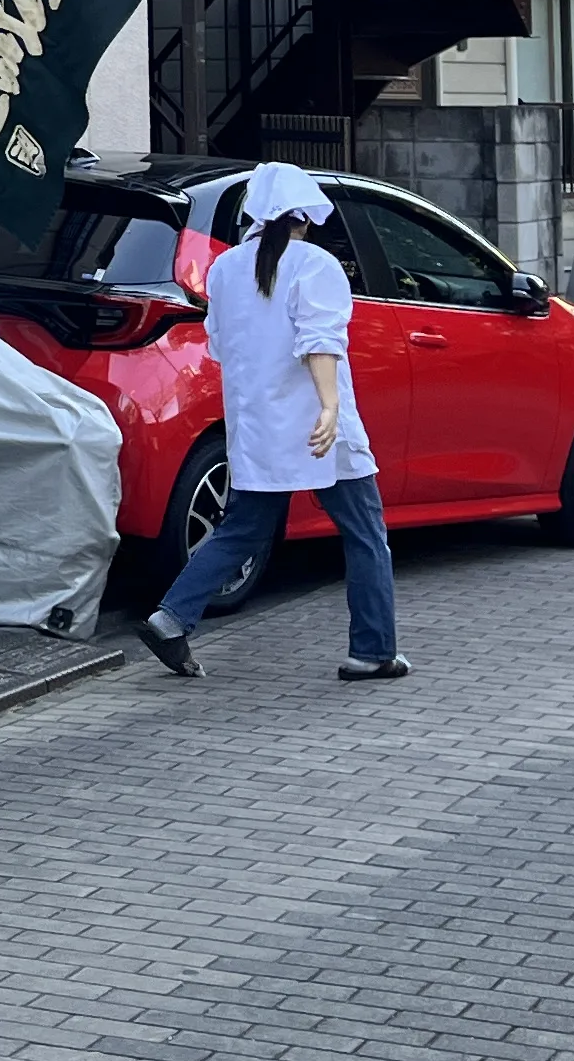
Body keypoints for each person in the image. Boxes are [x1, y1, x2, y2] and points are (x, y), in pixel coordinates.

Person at [135, 162, 406, 682]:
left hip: (257, 425)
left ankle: (171, 617)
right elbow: (319, 341)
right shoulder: (316, 265)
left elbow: (218, 343)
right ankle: (371, 651)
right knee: (365, 533)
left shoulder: (224, 269)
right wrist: (329, 407)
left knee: (243, 527)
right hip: (320, 427)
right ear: (304, 217)